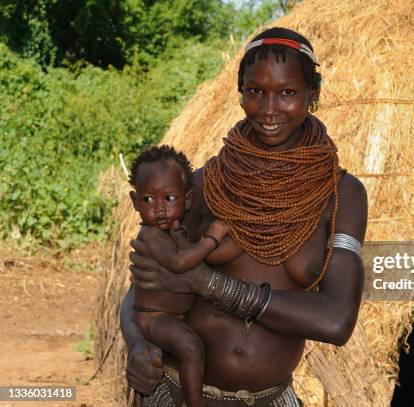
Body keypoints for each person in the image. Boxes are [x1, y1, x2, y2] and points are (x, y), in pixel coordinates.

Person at [121, 27, 368, 407]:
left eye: (287, 93)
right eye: (255, 92)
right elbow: (144, 286)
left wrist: (207, 284)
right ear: (240, 93)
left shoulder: (341, 195)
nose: (269, 110)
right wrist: (137, 345)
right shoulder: (204, 186)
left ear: (312, 94)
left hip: (270, 399)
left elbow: (336, 321)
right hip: (177, 395)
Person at [128, 145, 228, 407]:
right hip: (154, 317)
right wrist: (211, 240)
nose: (159, 208)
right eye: (148, 200)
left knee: (193, 347)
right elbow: (179, 262)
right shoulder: (150, 235)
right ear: (135, 201)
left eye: (169, 199)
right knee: (191, 348)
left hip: (168, 316)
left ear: (188, 199)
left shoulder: (174, 231)